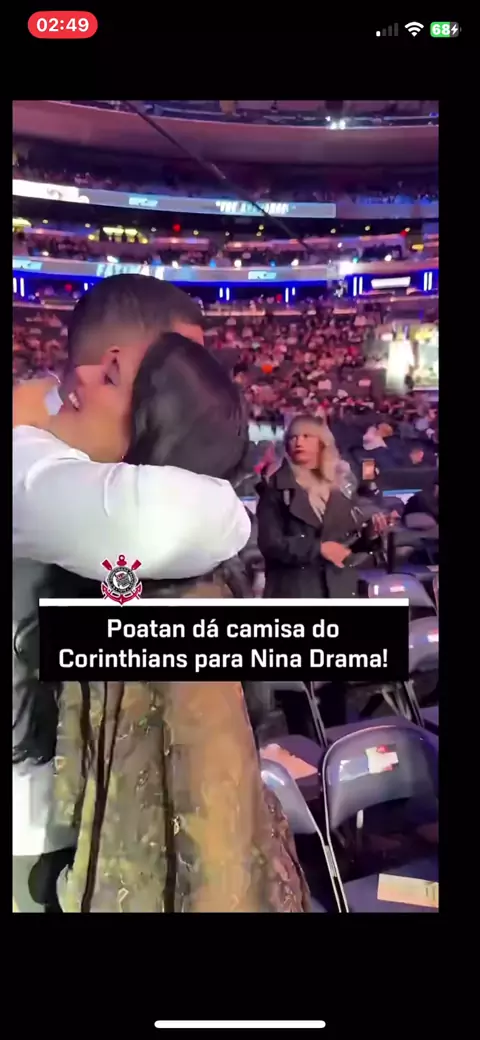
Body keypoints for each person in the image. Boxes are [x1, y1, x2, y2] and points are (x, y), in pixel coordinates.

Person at [14, 334, 310, 913]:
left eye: (110, 377)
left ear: (151, 426)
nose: (75, 379)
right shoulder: (109, 555)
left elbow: (216, 850)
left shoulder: (181, 600)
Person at [256, 414, 378, 601]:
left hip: (339, 590)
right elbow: (270, 544)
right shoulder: (275, 490)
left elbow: (347, 546)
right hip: (295, 592)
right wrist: (317, 549)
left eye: (306, 436)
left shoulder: (341, 488)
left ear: (322, 443)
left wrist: (370, 535)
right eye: (293, 437)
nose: (298, 442)